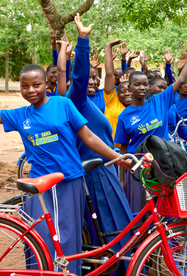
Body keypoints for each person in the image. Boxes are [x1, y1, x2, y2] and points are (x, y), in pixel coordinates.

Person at [0, 14, 119, 275]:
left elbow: (89, 137)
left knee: (68, 241)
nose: (30, 90)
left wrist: (115, 156)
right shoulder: (20, 115)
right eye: (25, 86)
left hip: (69, 180)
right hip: (40, 185)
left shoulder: (63, 104)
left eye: (36, 84)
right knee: (39, 241)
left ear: (44, 85)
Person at [56, 29, 133, 275]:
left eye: (94, 78)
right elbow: (72, 76)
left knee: (118, 225)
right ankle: (110, 270)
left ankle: (122, 267)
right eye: (87, 78)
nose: (91, 81)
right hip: (94, 175)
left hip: (106, 170)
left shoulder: (92, 101)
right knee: (108, 227)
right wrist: (83, 41)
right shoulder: (75, 100)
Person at [114, 43, 187, 213]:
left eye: (145, 84)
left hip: (163, 167)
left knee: (165, 211)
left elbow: (181, 80)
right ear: (129, 88)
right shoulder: (125, 116)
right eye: (137, 85)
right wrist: (121, 180)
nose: (142, 88)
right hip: (138, 172)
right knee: (142, 214)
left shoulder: (159, 100)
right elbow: (123, 152)